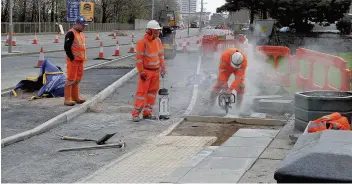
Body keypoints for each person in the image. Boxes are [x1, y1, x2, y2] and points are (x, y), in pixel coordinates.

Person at [131, 20, 167, 122]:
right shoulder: (142, 42)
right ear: (149, 31)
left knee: (152, 93)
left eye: (158, 31)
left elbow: (161, 55)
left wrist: (163, 67)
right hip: (146, 72)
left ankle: (147, 113)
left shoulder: (158, 41)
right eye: (156, 31)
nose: (158, 33)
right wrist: (141, 71)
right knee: (142, 93)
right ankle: (136, 114)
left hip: (155, 71)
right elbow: (139, 59)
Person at [63, 16, 88, 106]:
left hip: (80, 61)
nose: (84, 27)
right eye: (82, 25)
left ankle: (75, 97)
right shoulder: (71, 33)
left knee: (77, 79)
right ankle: (67, 99)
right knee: (70, 79)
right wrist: (72, 58)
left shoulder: (81, 34)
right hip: (73, 61)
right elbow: (67, 47)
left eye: (84, 25)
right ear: (77, 24)